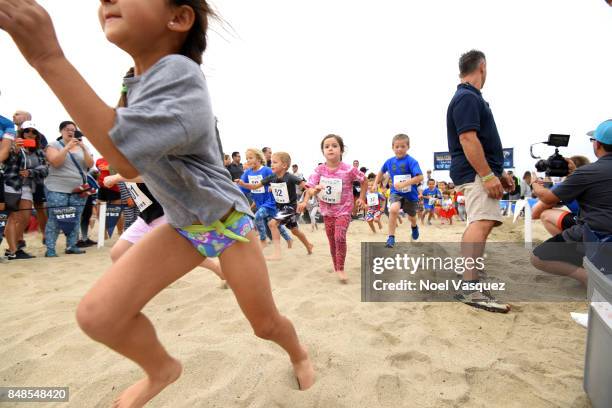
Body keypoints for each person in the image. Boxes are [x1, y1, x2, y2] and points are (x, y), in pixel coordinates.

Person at [0, 2, 314, 405]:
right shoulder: (134, 82)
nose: (106, 1)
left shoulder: (181, 73)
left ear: (179, 19)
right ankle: (161, 369)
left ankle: (298, 353)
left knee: (265, 325)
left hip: (229, 222)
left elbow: (123, 155)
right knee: (98, 315)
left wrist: (47, 57)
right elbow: (128, 161)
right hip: (183, 225)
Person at [446, 49, 514, 313]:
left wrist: (498, 172)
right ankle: (470, 285)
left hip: (479, 170)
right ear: (482, 67)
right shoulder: (466, 96)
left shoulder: (468, 97)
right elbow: (468, 139)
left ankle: (470, 279)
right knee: (481, 222)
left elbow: (480, 141)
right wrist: (487, 175)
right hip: (474, 172)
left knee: (480, 223)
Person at [104, 173, 225, 286]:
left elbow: (149, 175)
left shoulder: (138, 159)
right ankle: (140, 282)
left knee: (180, 253)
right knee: (118, 252)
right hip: (146, 217)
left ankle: (218, 269)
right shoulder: (122, 163)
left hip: (165, 214)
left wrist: (118, 177)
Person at [530, 120, 612, 285]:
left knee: (537, 257)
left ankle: (591, 280)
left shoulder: (587, 173)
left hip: (596, 236)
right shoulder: (584, 173)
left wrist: (534, 184)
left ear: (597, 144)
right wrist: (575, 173)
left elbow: (547, 199)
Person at [300, 134, 366, 283]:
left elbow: (364, 180)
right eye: (327, 146)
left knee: (339, 237)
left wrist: (361, 197)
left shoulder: (349, 169)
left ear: (341, 150)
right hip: (327, 211)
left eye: (334, 146)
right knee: (331, 240)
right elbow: (309, 189)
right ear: (323, 151)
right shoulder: (319, 170)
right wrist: (314, 190)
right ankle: (336, 266)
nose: (330, 149)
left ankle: (341, 268)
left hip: (344, 210)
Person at [238, 152, 314, 260]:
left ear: (284, 165)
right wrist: (243, 184)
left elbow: (308, 188)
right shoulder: (271, 177)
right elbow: (255, 187)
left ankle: (277, 253)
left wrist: (304, 202)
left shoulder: (290, 177)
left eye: (275, 162)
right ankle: (308, 245)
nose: (271, 165)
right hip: (280, 208)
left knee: (272, 223)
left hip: (290, 208)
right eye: (271, 162)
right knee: (294, 230)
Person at [43, 121, 94, 257]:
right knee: (55, 218)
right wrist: (67, 148)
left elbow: (89, 165)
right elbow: (56, 162)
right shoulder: (53, 145)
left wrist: (83, 148)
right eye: (67, 129)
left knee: (76, 218)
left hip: (78, 188)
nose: (71, 132)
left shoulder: (82, 146)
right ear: (61, 131)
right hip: (57, 187)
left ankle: (71, 246)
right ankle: (50, 249)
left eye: (73, 129)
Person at [3, 121, 48, 259]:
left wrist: (31, 172)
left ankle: (14, 248)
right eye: (27, 131)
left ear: (37, 135)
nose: (30, 134)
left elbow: (45, 169)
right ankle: (13, 250)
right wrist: (15, 151)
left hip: (28, 186)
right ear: (22, 132)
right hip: (11, 184)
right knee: (13, 218)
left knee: (24, 218)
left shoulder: (39, 151)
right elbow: (6, 164)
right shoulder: (12, 144)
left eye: (34, 132)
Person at [373, 134, 423, 247]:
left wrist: (404, 184)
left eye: (402, 146)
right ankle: (391, 238)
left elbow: (420, 177)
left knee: (411, 217)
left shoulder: (411, 161)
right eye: (397, 146)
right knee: (393, 210)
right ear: (393, 147)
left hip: (411, 195)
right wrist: (375, 183)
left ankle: (414, 226)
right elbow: (381, 172)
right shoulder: (389, 161)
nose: (399, 149)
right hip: (396, 192)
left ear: (408, 147)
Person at [238, 148, 293, 249]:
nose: (248, 160)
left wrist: (274, 186)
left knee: (258, 217)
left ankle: (263, 239)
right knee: (275, 224)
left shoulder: (266, 170)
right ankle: (289, 239)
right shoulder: (247, 173)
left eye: (251, 158)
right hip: (259, 203)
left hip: (270, 202)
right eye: (247, 158)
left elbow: (278, 178)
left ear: (258, 159)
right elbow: (241, 188)